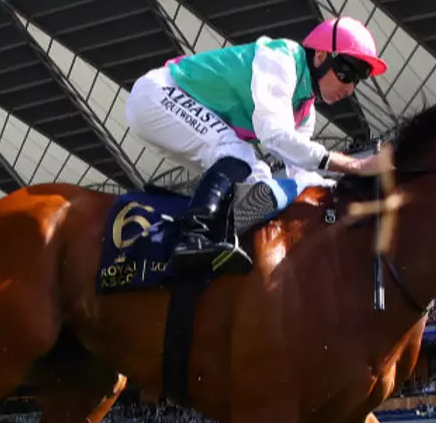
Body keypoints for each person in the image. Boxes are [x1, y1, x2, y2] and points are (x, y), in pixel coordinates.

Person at [124, 16, 393, 273]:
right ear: (321, 56)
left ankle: (218, 240)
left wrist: (343, 191)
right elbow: (274, 135)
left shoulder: (304, 109)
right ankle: (195, 235)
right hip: (157, 95)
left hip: (165, 110)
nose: (350, 88)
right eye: (347, 72)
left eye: (358, 79)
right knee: (237, 153)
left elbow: (300, 173)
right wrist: (356, 164)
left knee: (259, 179)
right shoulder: (282, 58)